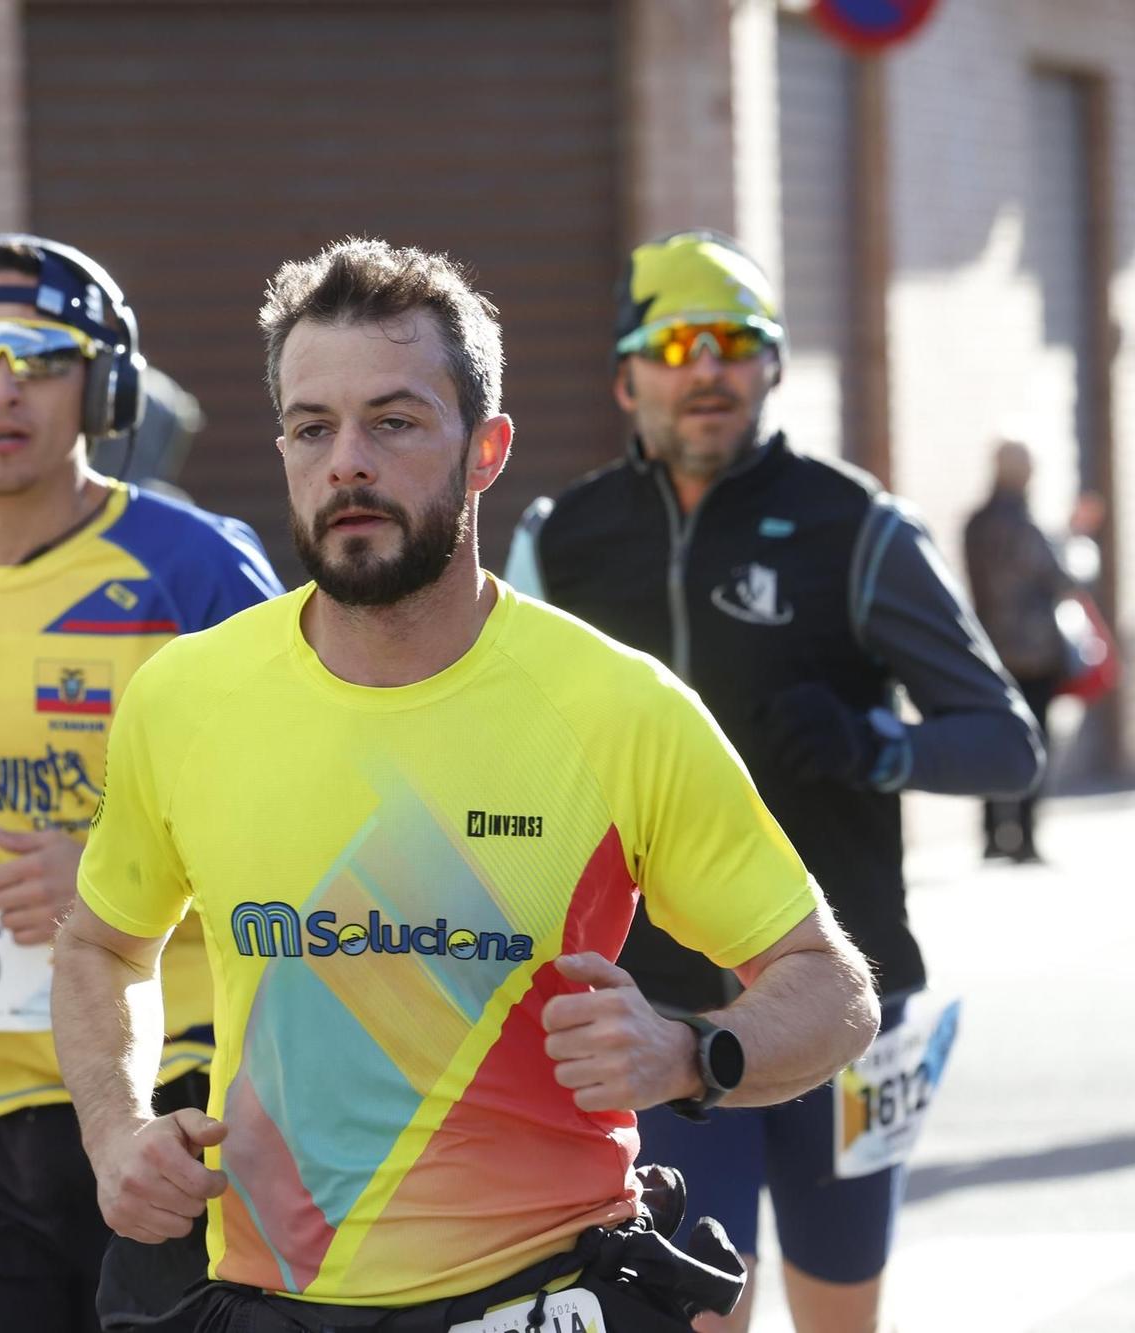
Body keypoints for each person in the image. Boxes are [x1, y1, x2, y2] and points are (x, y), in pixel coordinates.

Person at [53, 236, 882, 1333]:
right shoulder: (185, 695)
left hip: (537, 1294)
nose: (347, 460)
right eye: (313, 428)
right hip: (268, 1292)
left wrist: (689, 1051)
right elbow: (102, 945)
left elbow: (830, 988)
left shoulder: (614, 706)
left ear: (484, 450)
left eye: (392, 423)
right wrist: (115, 1132)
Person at [506, 230, 1042, 1332]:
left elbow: (1004, 744)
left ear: (770, 366)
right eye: (673, 345)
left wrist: (872, 744)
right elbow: (496, 749)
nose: (704, 368)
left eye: (733, 343)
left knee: (839, 1309)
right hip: (652, 1010)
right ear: (624, 375)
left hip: (843, 1001)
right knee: (701, 1314)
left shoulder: (854, 527)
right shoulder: (560, 541)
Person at [0, 234, 281, 1333]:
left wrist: (113, 877)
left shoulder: (198, 569)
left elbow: (306, 828)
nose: (2, 385)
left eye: (40, 353)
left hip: (171, 1091)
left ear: (104, 383)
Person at [963, 439, 1074, 863]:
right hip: (1033, 651)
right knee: (1033, 744)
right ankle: (1024, 838)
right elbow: (1059, 579)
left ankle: (992, 835)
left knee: (993, 740)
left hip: (989, 650)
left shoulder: (976, 524)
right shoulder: (1028, 526)